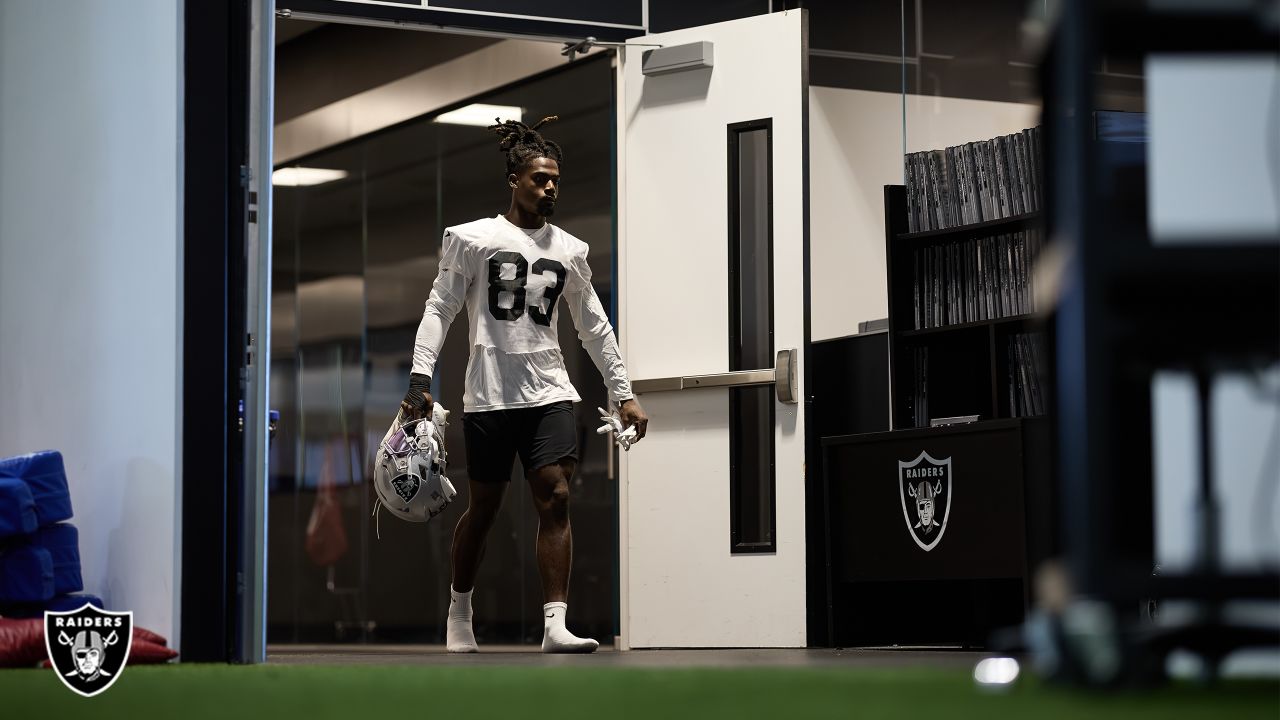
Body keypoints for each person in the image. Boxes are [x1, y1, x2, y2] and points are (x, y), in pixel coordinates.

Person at [399, 115, 648, 654]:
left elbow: (594, 325)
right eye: (539, 178)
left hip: (549, 391)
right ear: (514, 180)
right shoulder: (473, 239)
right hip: (488, 393)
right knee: (484, 508)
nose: (550, 186)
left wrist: (622, 391)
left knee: (555, 498)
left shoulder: (571, 250)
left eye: (556, 178)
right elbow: (439, 309)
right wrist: (420, 377)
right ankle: (459, 611)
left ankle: (555, 623)